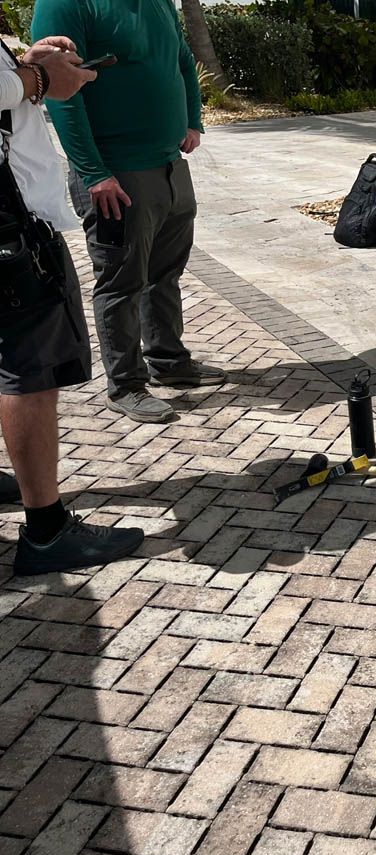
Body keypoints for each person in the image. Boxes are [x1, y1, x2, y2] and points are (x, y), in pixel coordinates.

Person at [32, 0, 226, 425]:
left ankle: (169, 362)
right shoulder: (66, 5)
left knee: (165, 272)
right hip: (115, 173)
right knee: (122, 280)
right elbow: (62, 95)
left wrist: (193, 119)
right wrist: (93, 173)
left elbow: (180, 58)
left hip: (169, 165)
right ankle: (126, 385)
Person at [0, 33, 144, 574]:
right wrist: (38, 80)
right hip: (11, 226)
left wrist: (22, 65)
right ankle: (45, 533)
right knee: (27, 373)